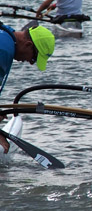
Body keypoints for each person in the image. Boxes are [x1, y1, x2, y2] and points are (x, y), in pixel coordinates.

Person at [0, 22, 55, 153]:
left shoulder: (7, 34)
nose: (30, 62)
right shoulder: (3, 51)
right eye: (34, 58)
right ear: (28, 45)